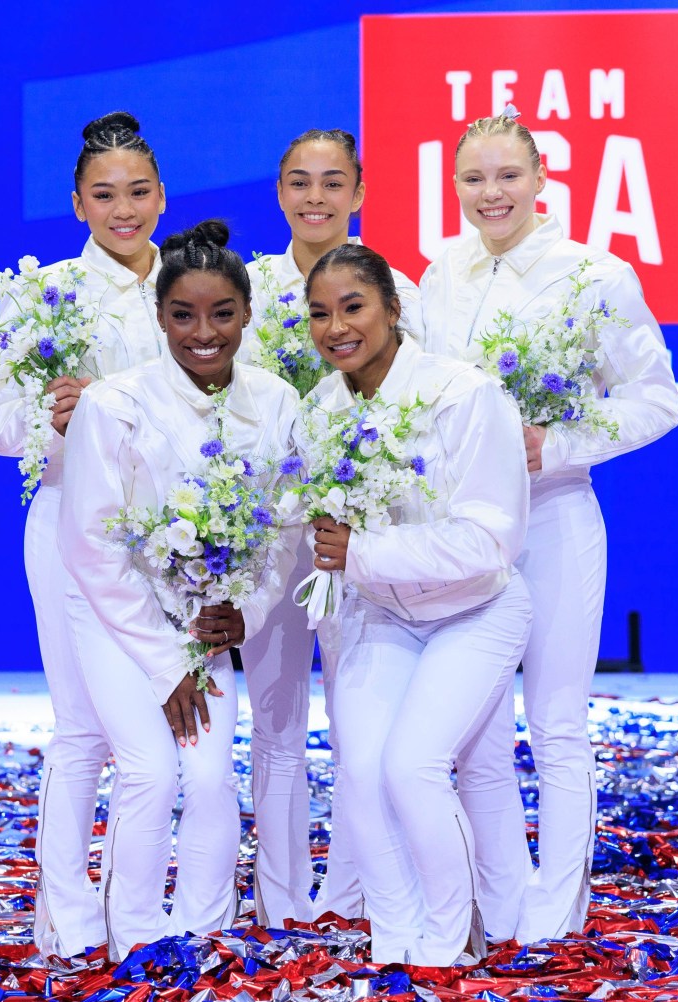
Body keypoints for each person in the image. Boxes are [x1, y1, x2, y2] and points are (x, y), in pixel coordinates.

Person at [420, 110, 678, 943]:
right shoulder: (439, 274)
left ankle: (556, 913)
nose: (491, 193)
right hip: (463, 531)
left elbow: (656, 399)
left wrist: (555, 444)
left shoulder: (593, 275)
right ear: (454, 186)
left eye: (507, 176)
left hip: (558, 517)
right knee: (478, 731)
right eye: (473, 178)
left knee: (557, 721)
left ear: (540, 180)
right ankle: (501, 904)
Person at [56, 220, 300, 960]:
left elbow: (286, 531)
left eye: (222, 313)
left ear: (247, 314)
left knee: (209, 776)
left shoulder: (278, 400)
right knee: (153, 769)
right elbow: (92, 546)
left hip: (205, 623)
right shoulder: (113, 403)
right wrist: (167, 667)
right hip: (111, 612)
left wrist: (244, 613)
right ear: (158, 316)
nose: (204, 332)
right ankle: (134, 938)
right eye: (183, 315)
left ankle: (202, 934)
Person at [297, 242, 532, 966]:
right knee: (361, 771)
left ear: (395, 309)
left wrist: (361, 551)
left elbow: (490, 541)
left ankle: (452, 930)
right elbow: (314, 532)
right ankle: (397, 939)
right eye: (319, 313)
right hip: (382, 613)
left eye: (354, 306)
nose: (337, 325)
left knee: (412, 766)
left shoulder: (465, 394)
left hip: (478, 610)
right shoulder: (318, 413)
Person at [0, 112, 167, 959]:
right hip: (65, 528)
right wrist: (46, 421)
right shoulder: (42, 295)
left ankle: (145, 909)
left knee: (160, 736)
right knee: (84, 727)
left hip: (173, 540)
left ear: (161, 195)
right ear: (78, 203)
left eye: (138, 192)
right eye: (104, 196)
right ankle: (69, 914)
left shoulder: (190, 283)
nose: (123, 210)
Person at [239, 129, 424, 926]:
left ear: (360, 191)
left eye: (332, 181)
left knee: (363, 727)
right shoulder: (244, 288)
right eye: (299, 181)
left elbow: (418, 413)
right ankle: (281, 901)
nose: (315, 197)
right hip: (268, 541)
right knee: (276, 722)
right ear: (279, 191)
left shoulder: (396, 288)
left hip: (361, 540)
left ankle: (359, 895)